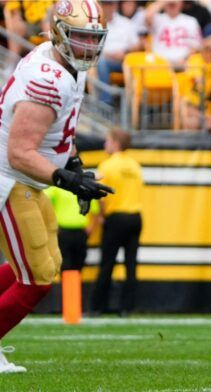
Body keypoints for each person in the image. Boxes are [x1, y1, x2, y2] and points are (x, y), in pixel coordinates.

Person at [0, 0, 113, 373]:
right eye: (80, 37)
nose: (87, 47)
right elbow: (19, 152)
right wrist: (66, 179)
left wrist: (74, 163)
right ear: (60, 31)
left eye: (93, 38)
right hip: (10, 178)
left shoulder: (65, 65)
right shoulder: (48, 76)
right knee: (37, 278)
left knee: (45, 264)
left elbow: (59, 129)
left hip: (27, 180)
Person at [90, 129, 143, 317]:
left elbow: (101, 196)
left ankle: (98, 306)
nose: (105, 145)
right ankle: (127, 308)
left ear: (116, 144)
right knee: (131, 265)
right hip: (135, 217)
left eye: (108, 141)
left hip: (116, 218)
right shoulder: (135, 166)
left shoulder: (107, 165)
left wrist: (102, 215)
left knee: (107, 264)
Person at [96, 0, 142, 104]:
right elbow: (92, 47)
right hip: (105, 60)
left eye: (110, 4)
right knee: (101, 62)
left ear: (116, 5)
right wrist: (108, 55)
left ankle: (133, 104)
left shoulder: (126, 23)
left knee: (135, 65)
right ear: (101, 6)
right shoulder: (95, 24)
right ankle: (105, 102)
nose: (108, 7)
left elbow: (138, 45)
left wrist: (125, 52)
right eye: (105, 4)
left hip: (126, 60)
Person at [145, 0, 202, 69]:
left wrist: (185, 59)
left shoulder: (191, 21)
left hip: (184, 65)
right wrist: (164, 1)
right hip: (159, 64)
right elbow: (147, 15)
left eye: (174, 4)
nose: (172, 5)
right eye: (170, 4)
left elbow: (196, 45)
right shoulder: (157, 19)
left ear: (182, 3)